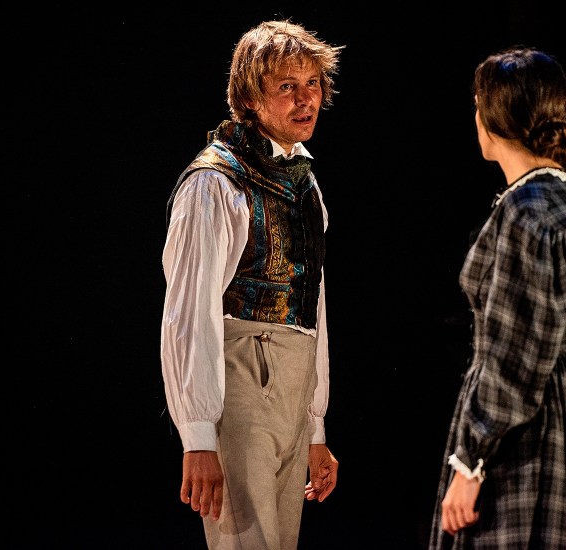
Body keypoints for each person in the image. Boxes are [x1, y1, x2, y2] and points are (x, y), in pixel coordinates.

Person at [429, 47, 566, 549]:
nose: (475, 118)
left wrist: (472, 460)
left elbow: (515, 353)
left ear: (499, 117)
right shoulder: (565, 198)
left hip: (526, 430)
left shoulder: (527, 209)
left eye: (479, 105)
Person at [160, 19, 343, 550]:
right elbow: (189, 312)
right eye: (287, 85)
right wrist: (198, 436)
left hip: (294, 384)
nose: (305, 99)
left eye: (312, 83)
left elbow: (312, 306)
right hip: (241, 380)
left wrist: (315, 428)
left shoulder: (305, 184)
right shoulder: (214, 183)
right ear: (249, 97)